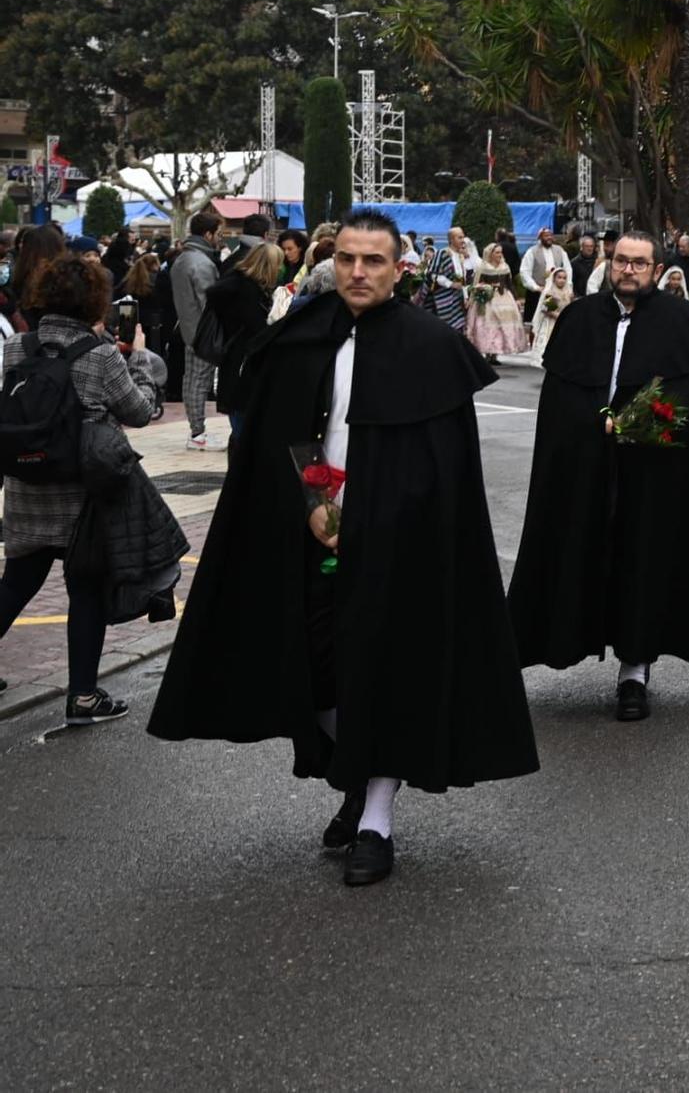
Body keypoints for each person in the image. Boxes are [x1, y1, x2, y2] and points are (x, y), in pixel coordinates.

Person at [148, 209, 539, 888]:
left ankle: (376, 822)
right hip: (313, 536)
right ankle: (353, 774)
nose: (359, 272)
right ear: (334, 262)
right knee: (320, 671)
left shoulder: (430, 347)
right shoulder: (301, 336)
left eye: (374, 261)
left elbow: (448, 469)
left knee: (386, 674)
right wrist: (312, 507)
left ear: (399, 268)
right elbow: (274, 438)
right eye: (349, 259)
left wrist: (394, 515)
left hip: (401, 544)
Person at [510, 232, 689, 721]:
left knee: (645, 560)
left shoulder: (682, 322)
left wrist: (636, 423)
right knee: (579, 550)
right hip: (586, 463)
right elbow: (558, 397)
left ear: (656, 269)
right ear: (609, 265)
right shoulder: (579, 318)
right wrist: (589, 422)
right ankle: (560, 641)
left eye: (638, 263)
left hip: (653, 469)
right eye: (620, 261)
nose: (628, 270)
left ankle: (634, 670)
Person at [0, 254, 179, 725]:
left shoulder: (17, 347)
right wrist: (138, 357)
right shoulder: (98, 354)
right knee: (86, 591)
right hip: (84, 495)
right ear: (95, 300)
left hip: (26, 486)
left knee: (15, 584)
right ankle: (82, 696)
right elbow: (140, 411)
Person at [205, 242, 282, 440]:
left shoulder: (235, 284)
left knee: (239, 422)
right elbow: (257, 328)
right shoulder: (248, 291)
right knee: (244, 426)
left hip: (235, 360)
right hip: (243, 363)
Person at [171, 209, 225, 451]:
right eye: (219, 233)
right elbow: (210, 301)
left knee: (192, 380)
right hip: (203, 331)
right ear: (208, 234)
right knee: (198, 381)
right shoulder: (200, 262)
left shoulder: (183, 259)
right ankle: (197, 433)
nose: (221, 238)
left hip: (190, 327)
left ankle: (197, 431)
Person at [465, 243, 531, 364]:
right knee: (487, 324)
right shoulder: (483, 267)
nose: (500, 255)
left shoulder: (504, 266)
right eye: (497, 253)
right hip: (487, 299)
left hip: (503, 298)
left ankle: (494, 355)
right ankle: (487, 352)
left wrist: (516, 299)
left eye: (501, 252)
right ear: (490, 254)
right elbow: (477, 283)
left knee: (500, 326)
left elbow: (510, 284)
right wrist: (484, 289)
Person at [425, 226, 473, 333]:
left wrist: (466, 297)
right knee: (444, 330)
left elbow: (465, 280)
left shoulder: (461, 256)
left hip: (458, 300)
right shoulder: (442, 253)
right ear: (451, 239)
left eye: (463, 237)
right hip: (443, 299)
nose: (462, 240)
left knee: (458, 329)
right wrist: (451, 284)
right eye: (459, 238)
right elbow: (433, 274)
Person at [530, 265, 573, 366]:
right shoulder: (550, 292)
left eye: (564, 278)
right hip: (551, 322)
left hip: (564, 322)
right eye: (559, 277)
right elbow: (547, 310)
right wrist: (558, 316)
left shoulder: (568, 292)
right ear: (554, 278)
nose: (562, 280)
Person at [520, 227, 572, 301]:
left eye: (550, 235)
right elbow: (524, 272)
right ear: (540, 237)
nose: (549, 237)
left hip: (556, 292)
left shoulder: (560, 250)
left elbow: (568, 268)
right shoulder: (532, 252)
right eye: (546, 235)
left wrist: (568, 285)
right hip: (537, 293)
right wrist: (535, 287)